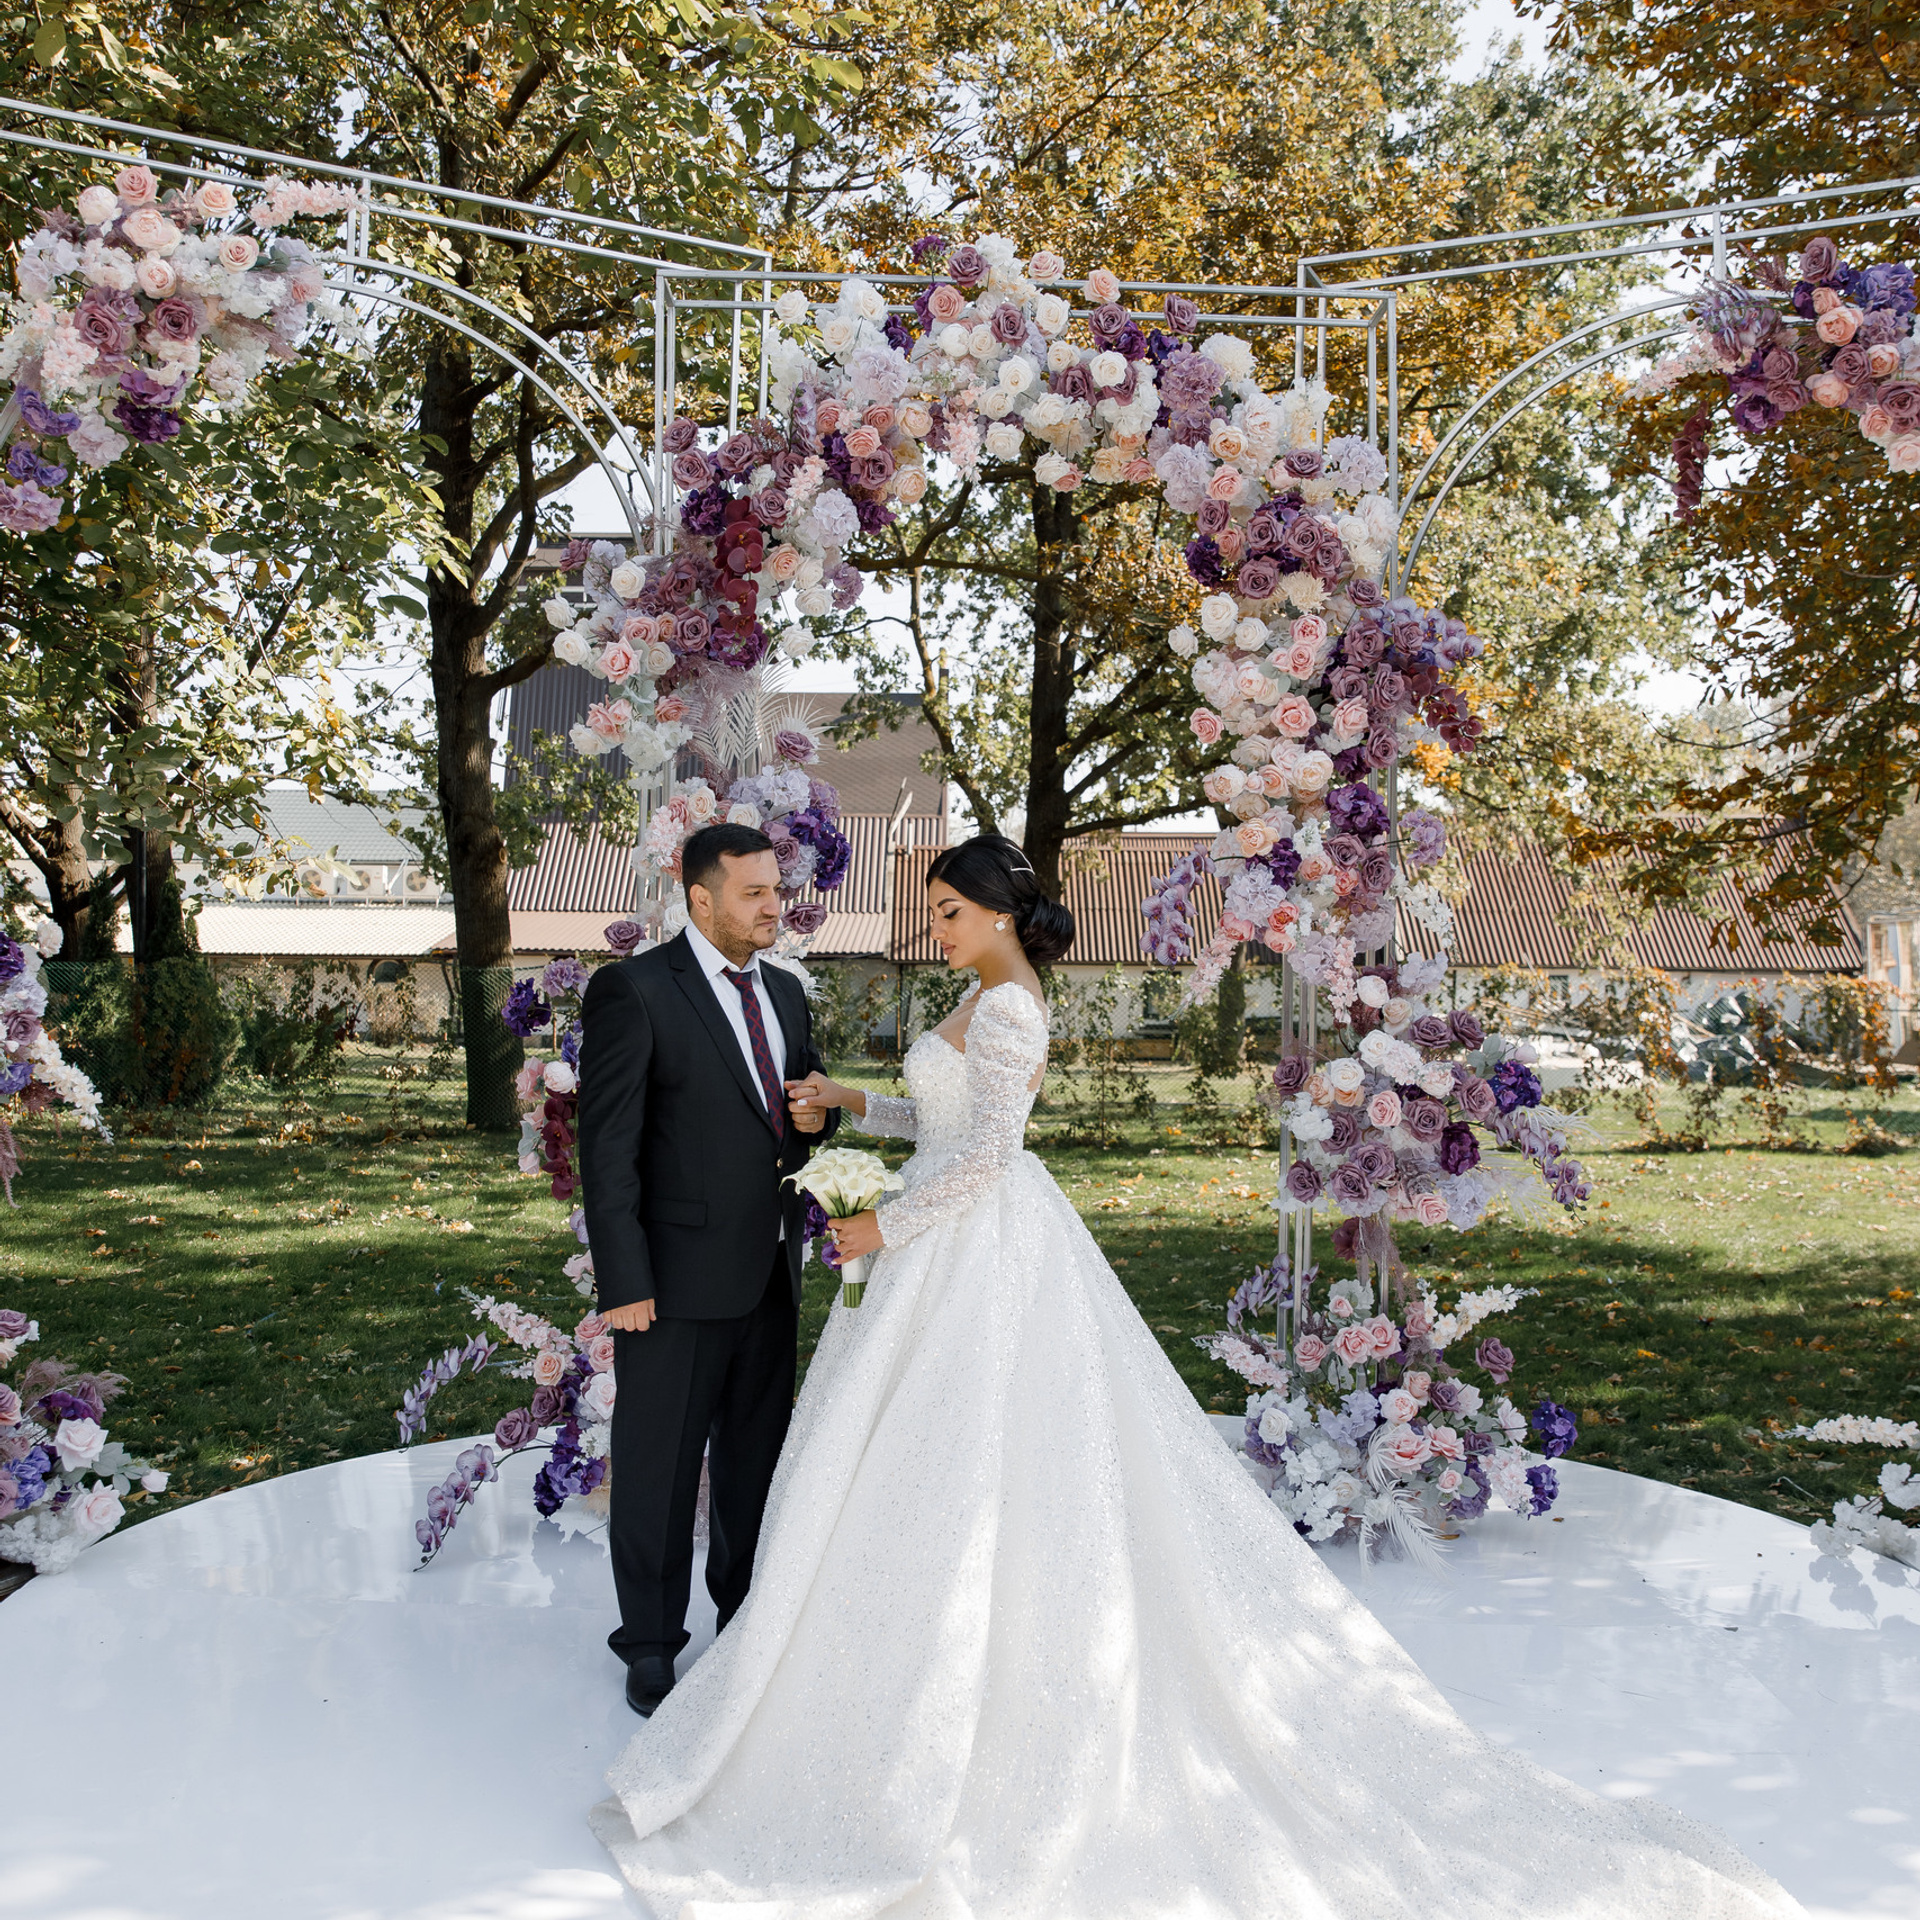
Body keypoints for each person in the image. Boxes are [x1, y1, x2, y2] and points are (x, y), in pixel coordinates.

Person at [589, 833, 1803, 1920]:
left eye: (950, 913)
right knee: (905, 1455)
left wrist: (881, 1228)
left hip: (974, 1248)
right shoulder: (981, 995)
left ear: (998, 916)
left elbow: (990, 1157)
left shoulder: (1010, 1009)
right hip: (947, 1246)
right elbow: (944, 1124)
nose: (937, 929)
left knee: (976, 1457)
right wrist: (857, 1099)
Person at [576, 821, 837, 1720]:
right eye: (754, 893)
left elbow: (798, 1109)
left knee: (754, 1464)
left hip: (769, 1272)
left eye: (776, 890)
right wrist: (625, 1282)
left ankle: (743, 1623)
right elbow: (607, 1152)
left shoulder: (787, 992)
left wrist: (819, 1119)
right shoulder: (636, 990)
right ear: (700, 898)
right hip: (672, 1284)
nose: (774, 907)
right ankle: (650, 1644)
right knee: (658, 1466)